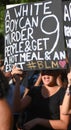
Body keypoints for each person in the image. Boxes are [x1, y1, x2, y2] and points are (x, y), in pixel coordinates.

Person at [11, 66, 70, 130]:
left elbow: (64, 125)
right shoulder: (34, 90)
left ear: (57, 73)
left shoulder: (64, 93)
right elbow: (17, 108)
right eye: (43, 72)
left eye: (50, 71)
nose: (46, 75)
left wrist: (37, 121)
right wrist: (17, 82)